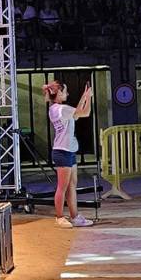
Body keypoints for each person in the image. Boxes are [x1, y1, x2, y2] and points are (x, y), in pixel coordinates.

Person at [45, 79, 93, 228]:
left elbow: (76, 114)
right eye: (65, 91)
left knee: (71, 185)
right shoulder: (62, 109)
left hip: (68, 150)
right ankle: (59, 217)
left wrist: (84, 96)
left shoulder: (56, 108)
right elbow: (85, 113)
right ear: (58, 93)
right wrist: (89, 97)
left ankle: (74, 216)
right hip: (63, 151)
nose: (67, 93)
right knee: (63, 186)